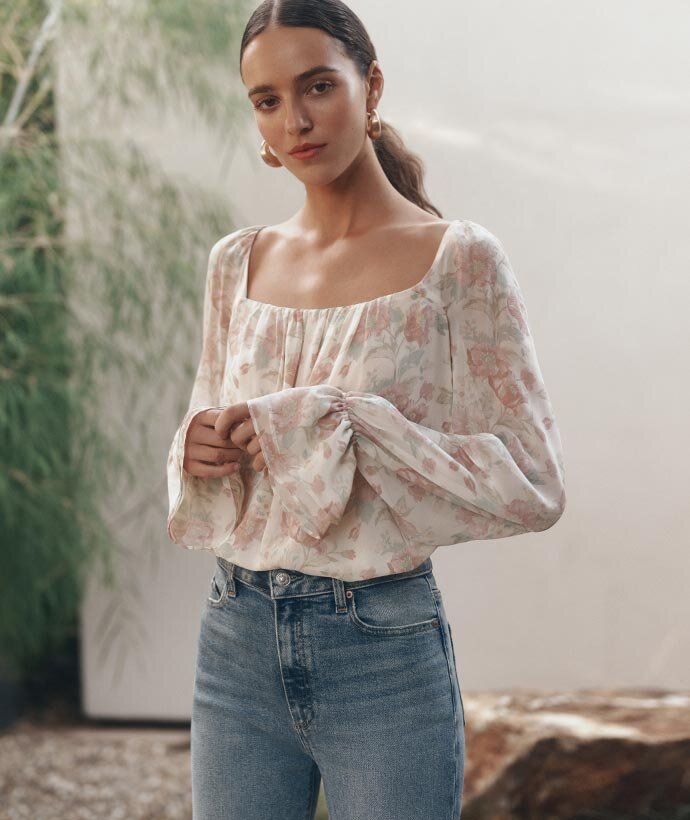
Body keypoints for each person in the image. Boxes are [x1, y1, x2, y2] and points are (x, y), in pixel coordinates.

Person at [165, 1, 567, 818]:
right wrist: (196, 448)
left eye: (318, 86)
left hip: (381, 647)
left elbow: (532, 482)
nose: (295, 120)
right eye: (267, 100)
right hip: (233, 638)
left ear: (370, 85)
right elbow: (222, 450)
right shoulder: (233, 263)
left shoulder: (458, 260)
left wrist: (348, 420)